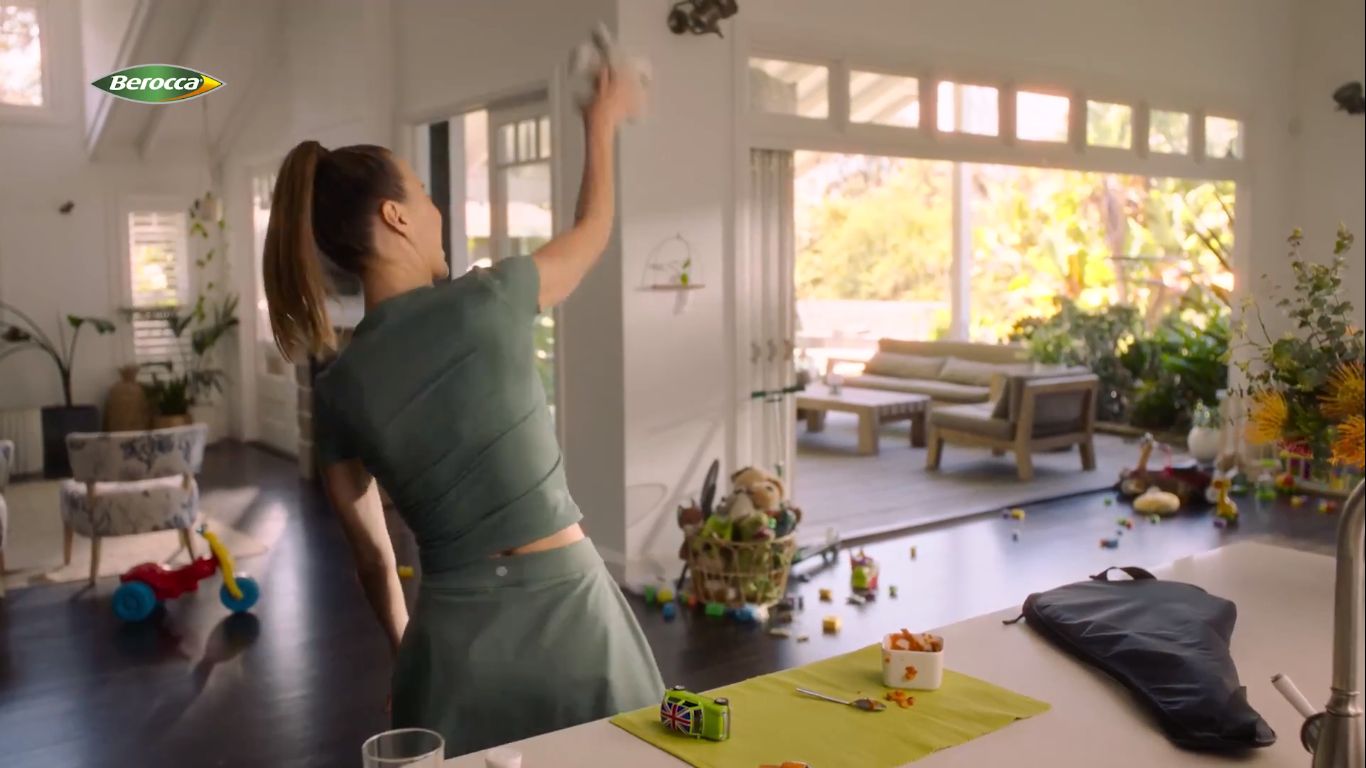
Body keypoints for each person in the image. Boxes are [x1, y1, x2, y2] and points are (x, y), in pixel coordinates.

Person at [261, 66, 662, 757]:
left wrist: (405, 654)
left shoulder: (338, 388)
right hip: (571, 617)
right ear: (396, 217)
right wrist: (600, 123)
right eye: (423, 193)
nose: (435, 210)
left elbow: (374, 559)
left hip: (451, 648)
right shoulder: (489, 298)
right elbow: (593, 230)